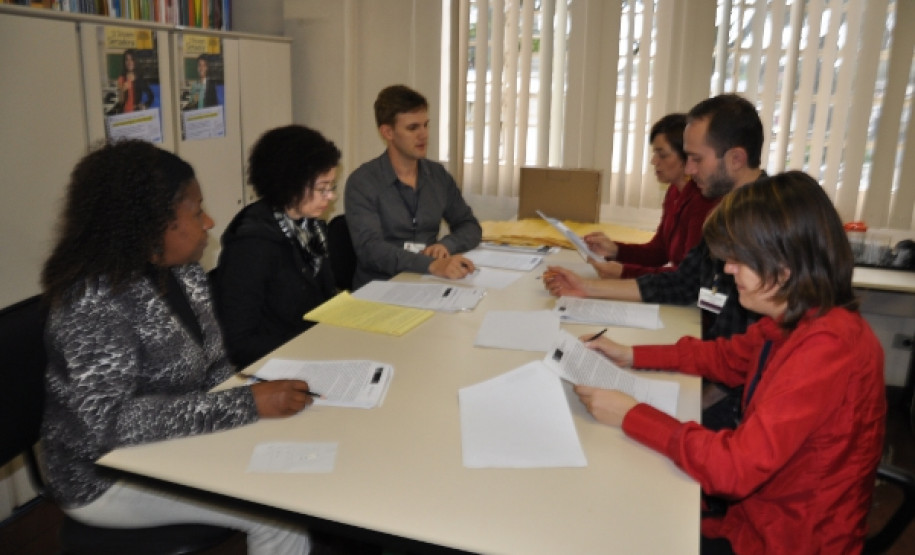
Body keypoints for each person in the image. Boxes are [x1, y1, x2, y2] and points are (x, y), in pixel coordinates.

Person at [574, 171, 886, 554]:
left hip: (790, 541)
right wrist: (631, 354)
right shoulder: (797, 319)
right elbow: (724, 357)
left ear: (784, 264)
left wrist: (631, 414)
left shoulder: (828, 347)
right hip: (757, 518)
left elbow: (734, 470)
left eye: (739, 260)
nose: (727, 270)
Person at [40, 140, 314, 555]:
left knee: (299, 467)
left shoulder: (184, 273)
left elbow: (215, 366)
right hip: (104, 475)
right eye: (195, 210)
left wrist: (255, 393)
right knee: (279, 516)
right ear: (152, 223)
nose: (208, 221)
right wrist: (247, 405)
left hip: (177, 442)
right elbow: (111, 423)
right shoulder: (92, 301)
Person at [545, 94, 766, 429]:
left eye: (696, 159)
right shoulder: (729, 213)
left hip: (743, 403)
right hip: (716, 374)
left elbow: (749, 358)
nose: (690, 170)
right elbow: (682, 282)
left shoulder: (771, 224)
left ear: (735, 158)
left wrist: (685, 408)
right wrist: (588, 287)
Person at [215, 125, 341, 368]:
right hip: (276, 367)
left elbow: (325, 301)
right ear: (290, 183)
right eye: (322, 188)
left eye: (331, 186)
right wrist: (312, 344)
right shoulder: (251, 246)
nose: (331, 197)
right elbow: (239, 343)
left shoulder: (311, 228)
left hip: (315, 351)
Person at [345, 84, 482, 289]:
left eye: (426, 125)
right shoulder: (363, 182)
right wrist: (431, 264)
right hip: (381, 287)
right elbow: (371, 250)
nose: (424, 135)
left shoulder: (437, 176)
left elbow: (469, 225)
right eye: (413, 128)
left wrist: (446, 245)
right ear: (387, 132)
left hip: (429, 282)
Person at [584, 113, 721, 279]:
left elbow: (688, 277)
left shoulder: (703, 200)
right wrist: (615, 250)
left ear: (686, 157)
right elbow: (658, 252)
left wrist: (623, 272)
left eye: (662, 155)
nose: (654, 161)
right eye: (655, 153)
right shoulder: (674, 192)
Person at [116, 49, 154, 113]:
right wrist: (122, 90)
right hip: (124, 114)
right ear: (124, 62)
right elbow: (120, 102)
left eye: (132, 59)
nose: (129, 62)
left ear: (135, 61)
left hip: (136, 114)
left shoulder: (140, 78)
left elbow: (151, 96)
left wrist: (145, 105)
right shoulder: (121, 78)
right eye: (127, 60)